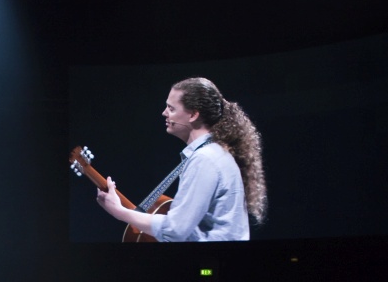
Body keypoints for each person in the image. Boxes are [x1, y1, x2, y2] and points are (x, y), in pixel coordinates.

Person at [96, 77, 266, 241]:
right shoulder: (211, 154)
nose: (164, 113)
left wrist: (119, 211)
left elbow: (175, 229)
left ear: (193, 115)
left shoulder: (205, 159)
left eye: (171, 108)